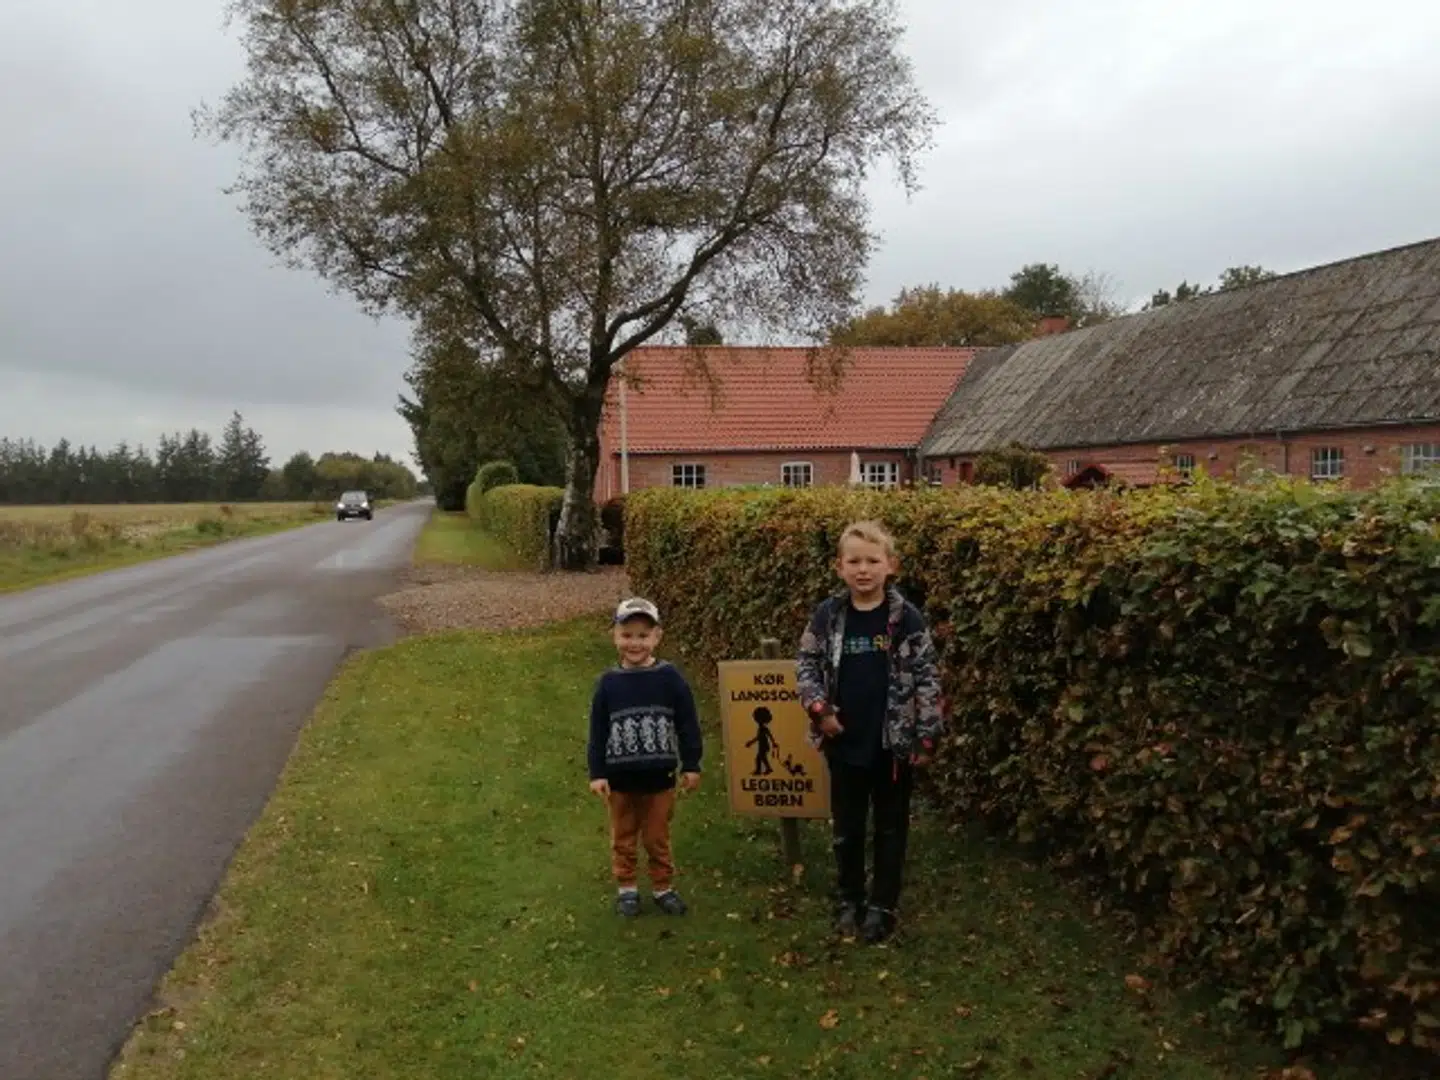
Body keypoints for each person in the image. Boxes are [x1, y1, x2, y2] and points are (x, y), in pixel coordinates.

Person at [796, 520, 944, 943]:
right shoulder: (828, 616)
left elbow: (927, 677)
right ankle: (849, 899)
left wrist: (927, 734)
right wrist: (819, 708)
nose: (864, 569)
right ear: (839, 567)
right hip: (843, 741)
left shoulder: (907, 619)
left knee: (891, 828)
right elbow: (806, 666)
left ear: (890, 565)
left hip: (894, 748)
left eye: (873, 561)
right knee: (847, 827)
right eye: (854, 561)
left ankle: (883, 905)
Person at [588, 597, 703, 918]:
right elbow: (597, 732)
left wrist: (691, 764)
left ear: (657, 637)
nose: (634, 643)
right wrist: (597, 773)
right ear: (615, 636)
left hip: (659, 778)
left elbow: (687, 723)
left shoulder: (670, 678)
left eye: (642, 635)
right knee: (623, 836)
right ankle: (627, 888)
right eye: (627, 635)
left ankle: (663, 887)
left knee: (656, 837)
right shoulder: (608, 684)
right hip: (619, 780)